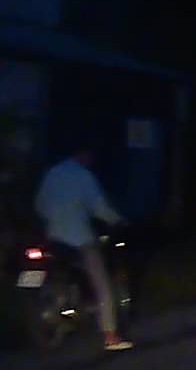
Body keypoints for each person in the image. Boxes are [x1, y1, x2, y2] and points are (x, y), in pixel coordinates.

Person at [33, 143, 132, 351]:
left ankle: (65, 309)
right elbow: (99, 207)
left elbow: (40, 205)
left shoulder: (52, 174)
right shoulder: (84, 177)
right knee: (103, 287)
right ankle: (111, 336)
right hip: (79, 239)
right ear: (85, 155)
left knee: (62, 271)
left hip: (54, 239)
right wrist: (118, 221)